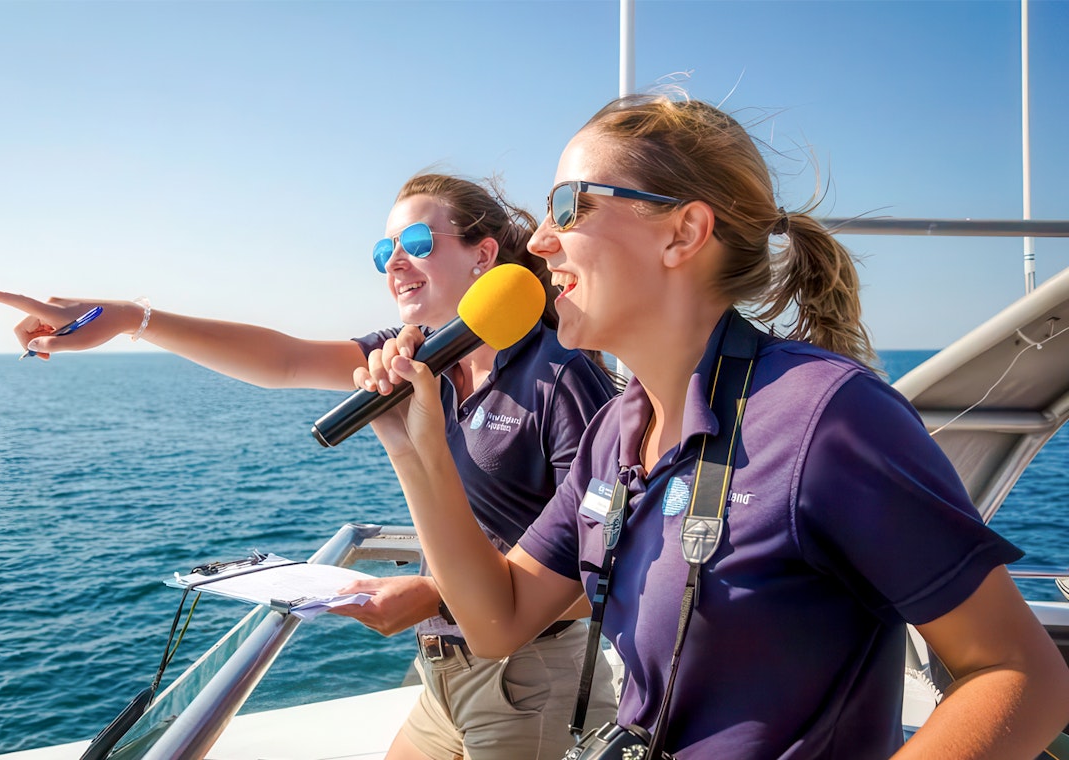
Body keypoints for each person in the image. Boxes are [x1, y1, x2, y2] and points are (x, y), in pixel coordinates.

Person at [355, 96, 1069, 759]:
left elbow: (1019, 673)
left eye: (569, 207)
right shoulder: (616, 433)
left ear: (684, 233)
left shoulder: (826, 416)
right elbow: (496, 620)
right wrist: (414, 448)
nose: (539, 242)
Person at [0, 172, 620, 760]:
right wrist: (129, 319)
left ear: (483, 256)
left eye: (418, 242)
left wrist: (435, 593)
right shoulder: (417, 358)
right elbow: (282, 360)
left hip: (531, 681)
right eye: (383, 251)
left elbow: (606, 574)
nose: (394, 263)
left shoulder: (557, 376)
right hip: (443, 674)